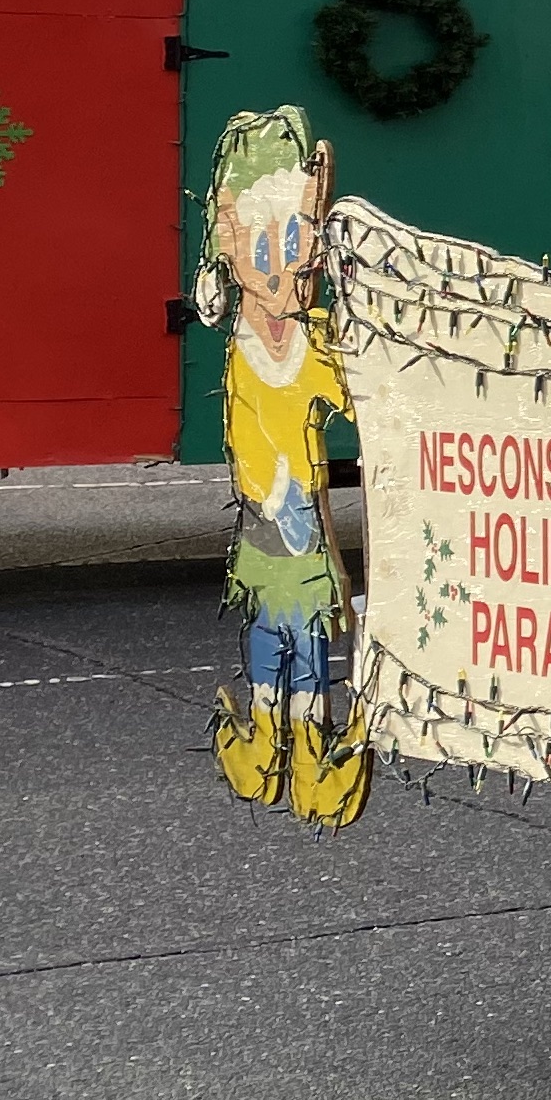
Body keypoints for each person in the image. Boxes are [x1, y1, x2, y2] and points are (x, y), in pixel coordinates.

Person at [197, 110, 371, 827]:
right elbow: (254, 443)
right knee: (274, 636)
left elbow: (355, 399)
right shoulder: (245, 351)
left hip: (300, 532)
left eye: (300, 239)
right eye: (265, 243)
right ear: (229, 241)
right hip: (270, 530)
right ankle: (266, 747)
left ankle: (309, 761)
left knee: (309, 643)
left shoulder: (315, 340)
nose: (286, 265)